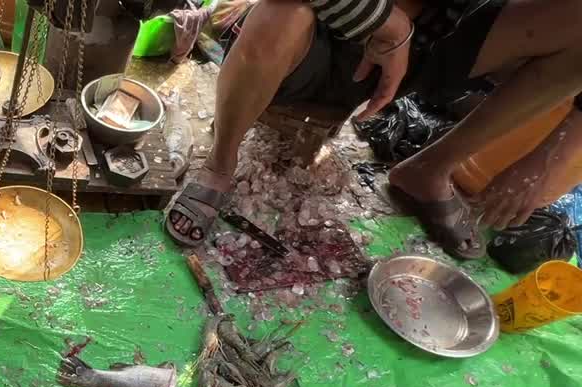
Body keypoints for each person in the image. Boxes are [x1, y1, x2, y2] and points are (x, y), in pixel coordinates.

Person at [164, 0, 582, 259]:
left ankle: (429, 170)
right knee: (282, 13)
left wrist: (550, 157)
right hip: (323, 26)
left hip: (438, 36)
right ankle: (220, 163)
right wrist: (389, 26)